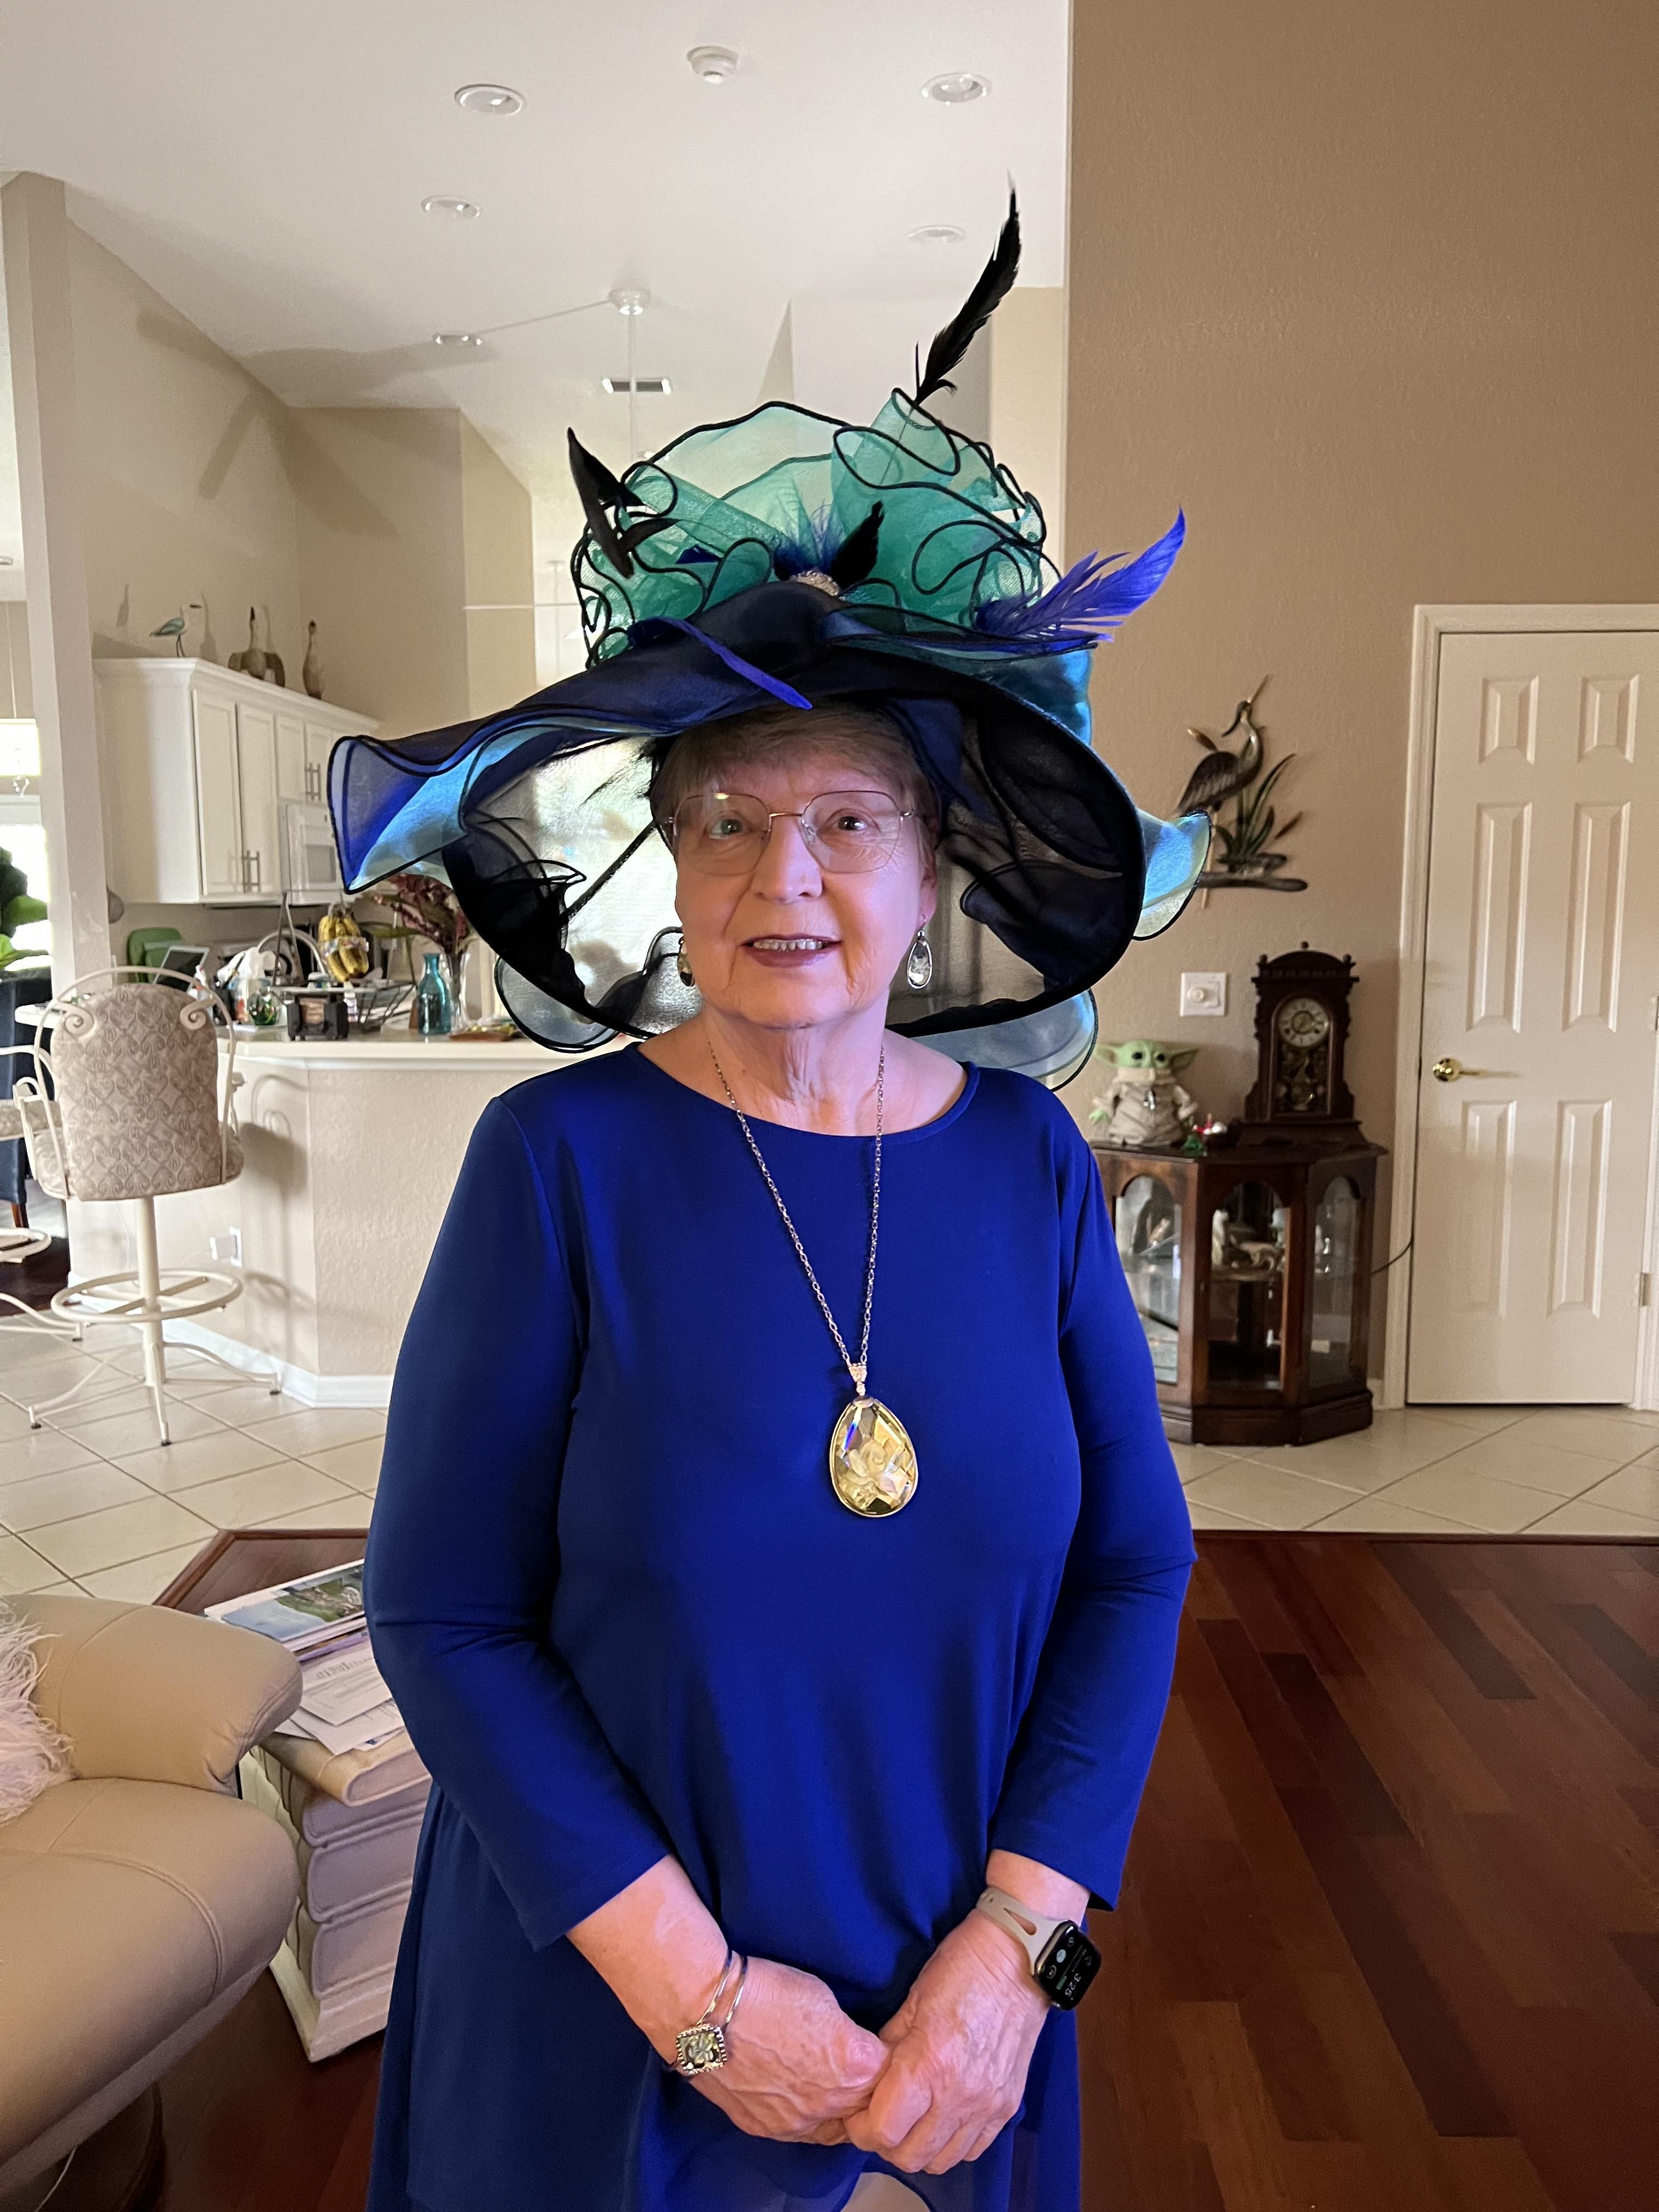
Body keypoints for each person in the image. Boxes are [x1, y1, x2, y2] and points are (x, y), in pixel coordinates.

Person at [340, 198, 1207, 2212]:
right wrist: (706, 2001)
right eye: (726, 817)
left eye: (845, 819)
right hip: (614, 2034)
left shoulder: (1029, 1170)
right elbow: (442, 1614)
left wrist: (1022, 1956)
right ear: (662, 856)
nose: (781, 878)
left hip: (954, 2029)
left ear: (932, 875)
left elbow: (1132, 1573)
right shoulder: (557, 1167)